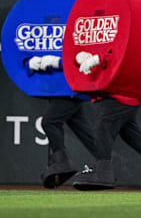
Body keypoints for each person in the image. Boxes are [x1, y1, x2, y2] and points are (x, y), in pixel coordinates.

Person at [70, 51, 141, 192]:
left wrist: (99, 57)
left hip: (122, 88)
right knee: (129, 132)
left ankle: (103, 171)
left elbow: (124, 47)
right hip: (117, 88)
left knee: (104, 125)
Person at [25, 55, 97, 189]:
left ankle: (63, 162)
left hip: (70, 87)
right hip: (57, 87)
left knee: (49, 122)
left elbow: (83, 56)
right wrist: (28, 62)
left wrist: (57, 61)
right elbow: (20, 54)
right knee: (83, 130)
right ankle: (109, 160)